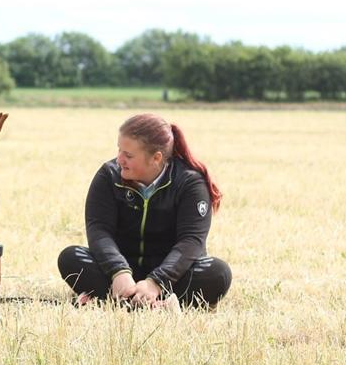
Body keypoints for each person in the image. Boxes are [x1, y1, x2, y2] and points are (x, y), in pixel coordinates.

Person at [58, 113, 231, 309]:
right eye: (119, 150)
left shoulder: (190, 183)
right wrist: (119, 271)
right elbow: (98, 230)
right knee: (71, 258)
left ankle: (113, 301)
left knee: (218, 273)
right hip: (122, 276)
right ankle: (158, 306)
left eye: (128, 155)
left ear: (156, 158)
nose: (119, 159)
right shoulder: (108, 175)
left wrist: (156, 282)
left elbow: (191, 242)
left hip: (171, 277)